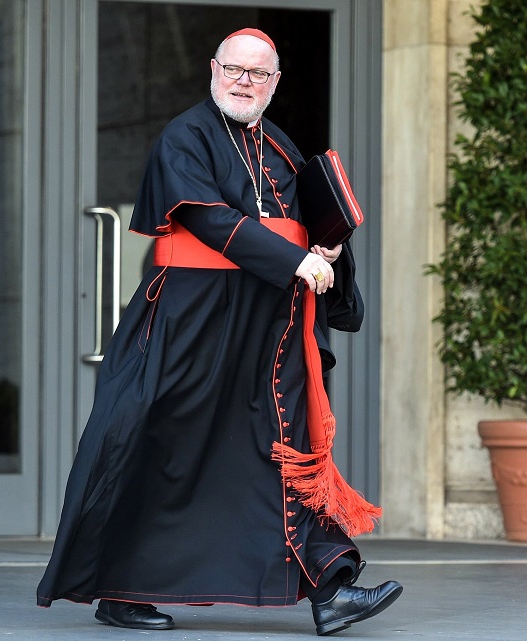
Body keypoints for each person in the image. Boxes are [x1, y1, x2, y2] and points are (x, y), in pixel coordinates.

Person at [36, 28, 402, 637]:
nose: (242, 81)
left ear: (274, 82)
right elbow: (207, 219)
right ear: (213, 69)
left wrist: (329, 248)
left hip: (265, 326)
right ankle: (120, 589)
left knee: (283, 443)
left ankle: (329, 589)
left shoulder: (280, 145)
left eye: (257, 74)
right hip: (190, 320)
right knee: (159, 445)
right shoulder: (185, 134)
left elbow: (308, 216)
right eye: (232, 69)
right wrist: (292, 261)